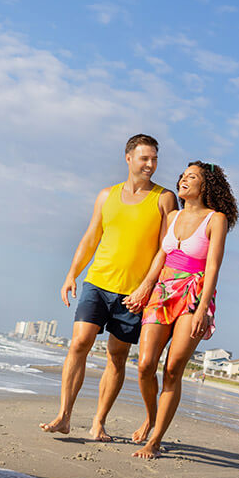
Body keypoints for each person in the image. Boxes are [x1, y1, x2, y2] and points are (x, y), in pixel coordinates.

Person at [39, 135, 176, 441]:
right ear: (128, 158)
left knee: (117, 356)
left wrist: (146, 287)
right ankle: (64, 415)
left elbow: (165, 249)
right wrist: (72, 274)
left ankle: (98, 422)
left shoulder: (164, 198)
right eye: (144, 158)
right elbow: (91, 237)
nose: (150, 164)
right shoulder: (106, 195)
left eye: (154, 159)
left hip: (134, 293)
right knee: (79, 343)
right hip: (98, 282)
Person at [125, 161, 238, 459]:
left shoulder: (216, 219)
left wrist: (203, 308)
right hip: (163, 291)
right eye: (183, 175)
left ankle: (155, 440)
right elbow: (161, 256)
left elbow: (213, 267)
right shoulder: (173, 216)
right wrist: (144, 288)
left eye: (192, 177)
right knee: (145, 365)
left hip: (194, 293)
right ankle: (151, 417)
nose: (184, 180)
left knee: (173, 369)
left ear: (205, 185)